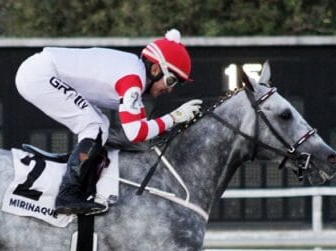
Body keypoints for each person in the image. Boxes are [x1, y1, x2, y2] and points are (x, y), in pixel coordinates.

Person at [15, 29, 202, 215]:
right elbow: (135, 133)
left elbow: (141, 126)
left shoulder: (134, 73)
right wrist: (174, 118)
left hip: (39, 71)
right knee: (94, 127)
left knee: (100, 125)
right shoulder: (132, 81)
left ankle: (81, 187)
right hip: (40, 75)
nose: (170, 89)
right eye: (171, 81)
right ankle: (67, 195)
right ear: (155, 69)